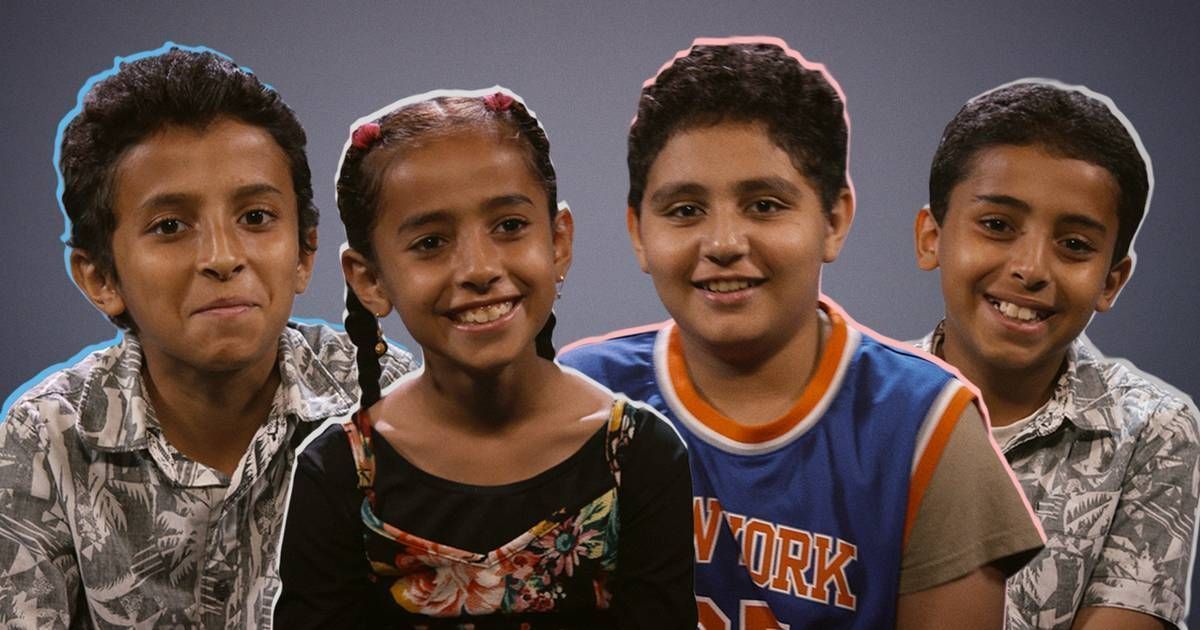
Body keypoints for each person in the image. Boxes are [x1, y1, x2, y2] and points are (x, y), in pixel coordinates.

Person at [558, 37, 1045, 628]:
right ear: (639, 233)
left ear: (834, 220)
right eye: (685, 210)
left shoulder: (926, 427)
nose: (723, 243)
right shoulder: (582, 399)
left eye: (764, 205)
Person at [0, 45, 416, 629]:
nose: (222, 257)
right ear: (101, 278)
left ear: (304, 252)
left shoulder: (383, 397)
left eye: (256, 217)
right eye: (170, 226)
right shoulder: (47, 439)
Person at [275, 88, 695, 628]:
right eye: (430, 242)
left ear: (559, 242)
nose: (478, 268)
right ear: (370, 279)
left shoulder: (638, 457)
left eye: (509, 226)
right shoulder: (338, 476)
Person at [911, 79, 1200, 629]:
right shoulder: (860, 405)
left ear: (1111, 281)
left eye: (1074, 245)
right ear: (932, 237)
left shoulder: (1151, 430)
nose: (1032, 269)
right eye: (997, 225)